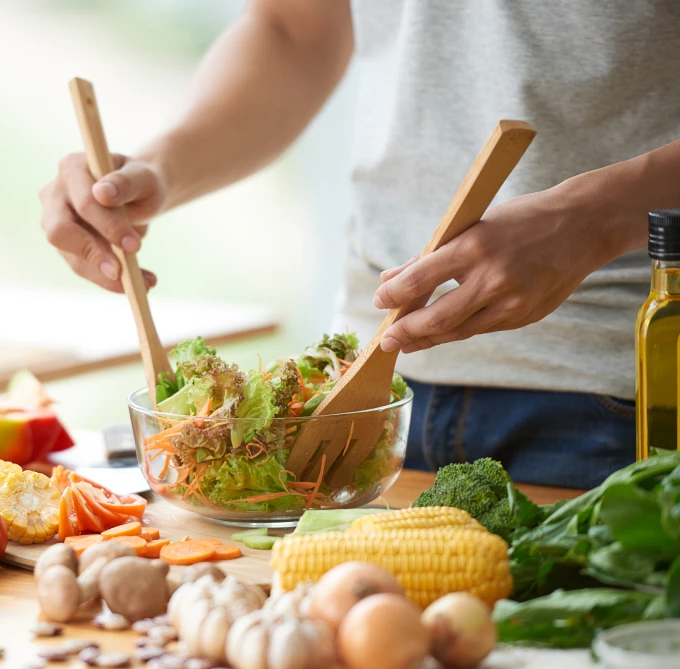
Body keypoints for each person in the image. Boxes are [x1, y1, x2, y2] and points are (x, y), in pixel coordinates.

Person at [38, 1, 680, 489]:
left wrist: (601, 216)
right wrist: (157, 169)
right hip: (364, 395)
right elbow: (295, 32)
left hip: (628, 391)